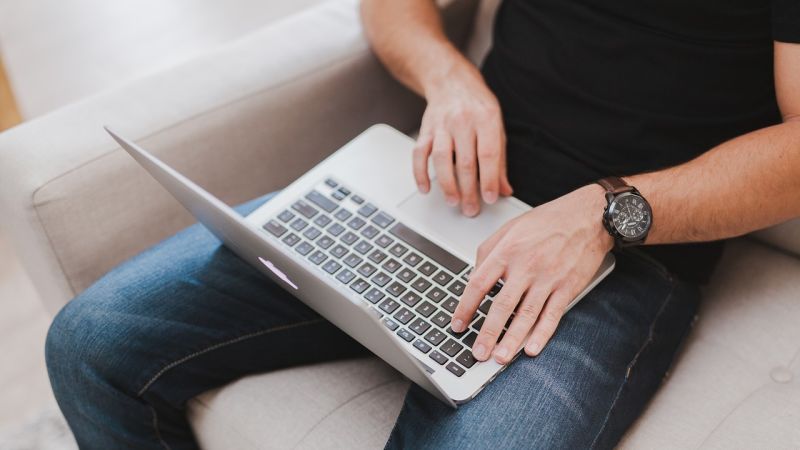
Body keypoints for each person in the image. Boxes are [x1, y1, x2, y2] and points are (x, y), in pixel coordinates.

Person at [45, 0, 800, 448]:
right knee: (92, 340)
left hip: (624, 249)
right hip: (444, 191)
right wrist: (450, 78)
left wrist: (606, 212)